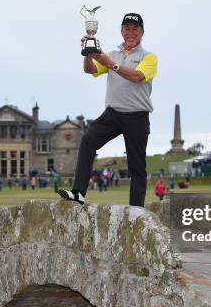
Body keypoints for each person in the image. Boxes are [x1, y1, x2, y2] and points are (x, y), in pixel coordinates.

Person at [58, 12, 157, 206]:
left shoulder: (149, 57)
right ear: (121, 31)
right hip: (113, 114)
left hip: (137, 115)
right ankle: (78, 193)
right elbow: (90, 69)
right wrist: (88, 54)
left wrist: (109, 63)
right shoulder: (113, 54)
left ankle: (136, 209)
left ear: (142, 32)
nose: (130, 32)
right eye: (126, 28)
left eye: (135, 29)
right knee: (88, 140)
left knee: (136, 166)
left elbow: (137, 76)